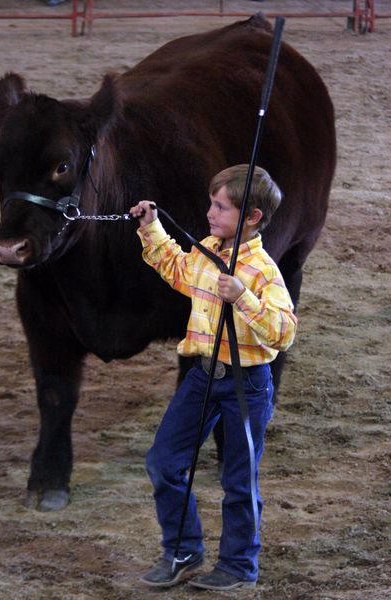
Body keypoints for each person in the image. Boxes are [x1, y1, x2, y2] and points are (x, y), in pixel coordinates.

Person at [129, 164, 297, 591]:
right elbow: (179, 272)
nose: (210, 212)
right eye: (212, 203)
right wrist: (151, 229)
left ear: (252, 217)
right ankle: (183, 549)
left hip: (246, 385)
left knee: (239, 480)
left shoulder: (262, 271)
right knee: (164, 462)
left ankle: (239, 565)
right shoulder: (208, 250)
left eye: (220, 207)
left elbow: (284, 332)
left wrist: (243, 299)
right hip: (202, 377)